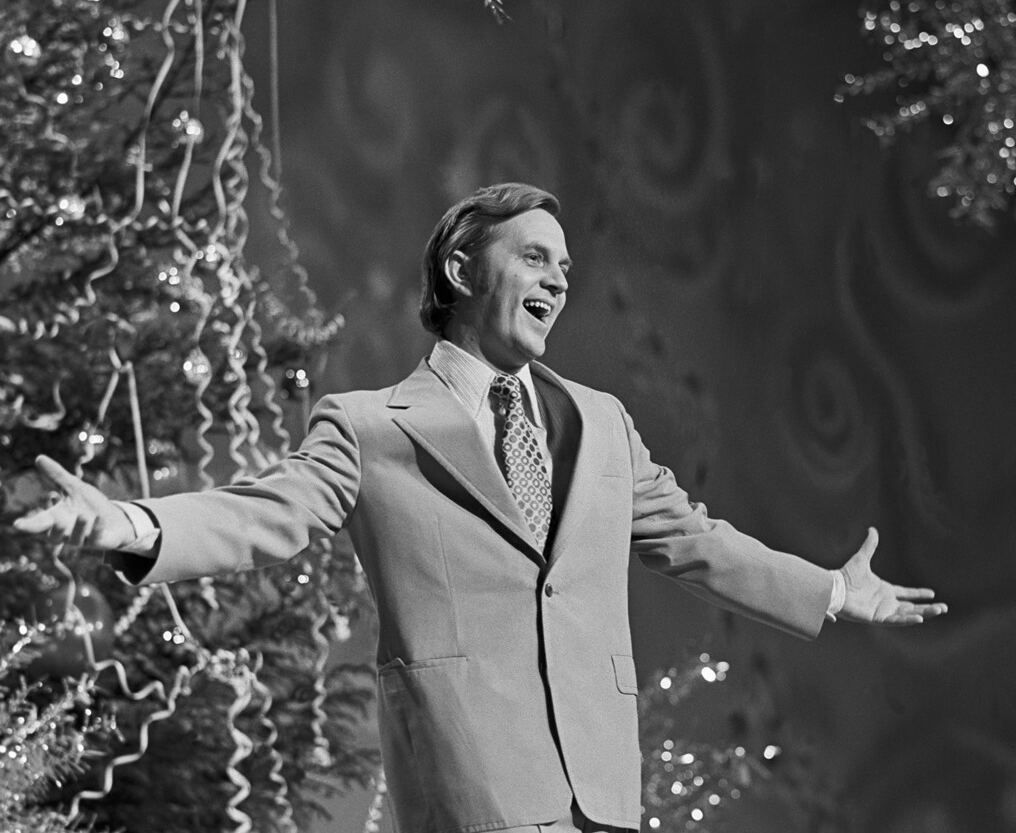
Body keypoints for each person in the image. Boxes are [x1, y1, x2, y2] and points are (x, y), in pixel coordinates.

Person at [14, 183, 947, 833]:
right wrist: (128, 524)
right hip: (469, 785)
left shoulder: (601, 422)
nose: (556, 281)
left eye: (566, 269)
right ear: (462, 270)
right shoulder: (373, 426)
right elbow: (271, 511)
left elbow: (691, 539)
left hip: (599, 790)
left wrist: (827, 590)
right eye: (534, 258)